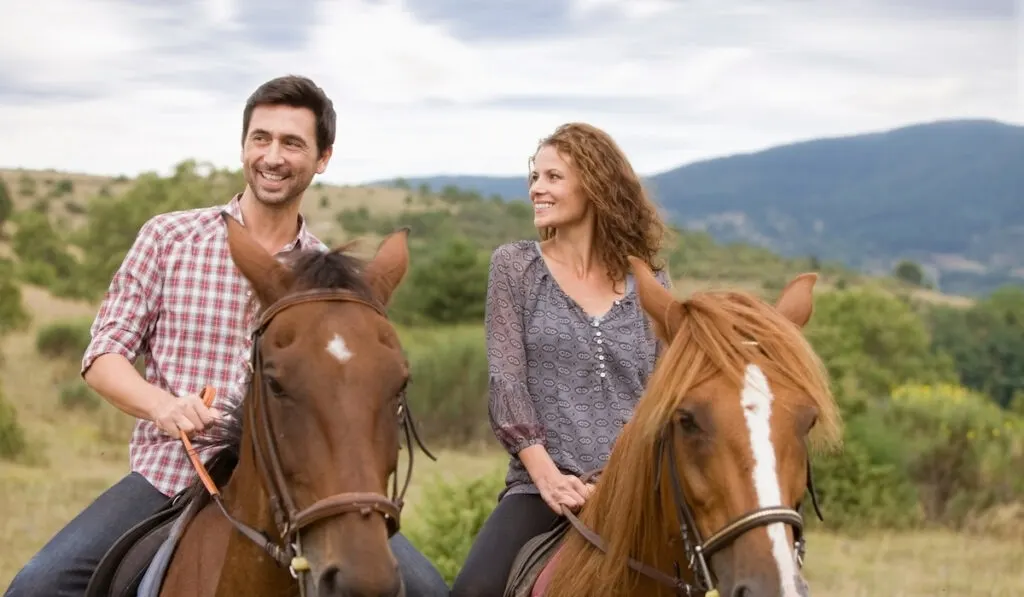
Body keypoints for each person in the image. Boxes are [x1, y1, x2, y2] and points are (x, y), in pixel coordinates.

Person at [4, 75, 447, 597]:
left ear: (323, 158)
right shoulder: (169, 238)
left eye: (292, 143)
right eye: (261, 139)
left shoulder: (326, 281)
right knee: (39, 585)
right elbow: (103, 355)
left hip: (299, 488)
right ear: (244, 147)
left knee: (428, 589)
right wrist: (162, 406)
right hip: (168, 476)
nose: (273, 156)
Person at [450, 122, 673, 596]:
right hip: (542, 488)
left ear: (593, 185)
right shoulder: (515, 267)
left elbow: (664, 390)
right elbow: (506, 381)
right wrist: (549, 478)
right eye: (535, 177)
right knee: (473, 590)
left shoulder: (650, 279)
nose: (537, 189)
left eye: (553, 177)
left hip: (637, 489)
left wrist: (632, 476)